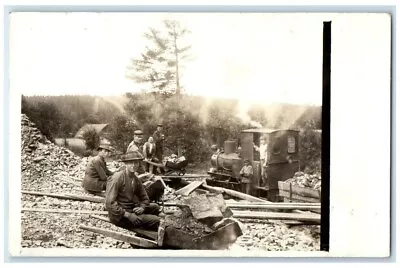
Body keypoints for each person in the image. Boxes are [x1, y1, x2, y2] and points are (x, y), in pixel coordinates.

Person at [105, 151, 161, 231]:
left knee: (155, 207)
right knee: (156, 220)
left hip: (131, 208)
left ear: (139, 164)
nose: (133, 165)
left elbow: (144, 197)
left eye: (136, 163)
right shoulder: (117, 178)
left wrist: (142, 207)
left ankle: (143, 220)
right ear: (125, 164)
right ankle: (144, 229)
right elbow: (109, 204)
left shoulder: (135, 179)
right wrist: (128, 215)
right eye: (130, 163)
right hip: (119, 216)